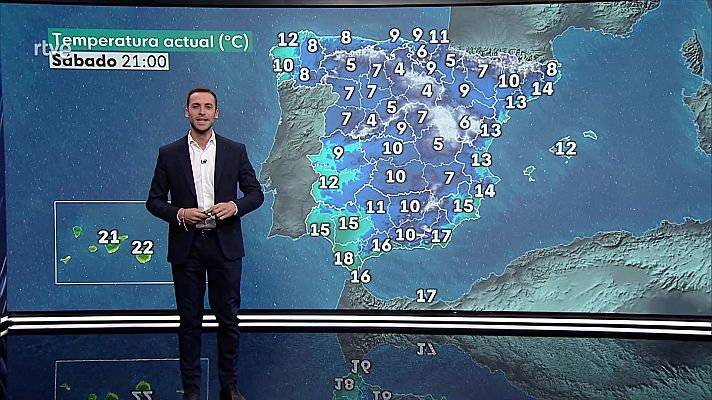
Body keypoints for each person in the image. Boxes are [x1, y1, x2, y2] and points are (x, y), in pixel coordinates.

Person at [147, 87, 264, 400]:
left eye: (208, 107)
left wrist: (235, 206)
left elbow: (256, 193)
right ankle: (192, 391)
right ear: (186, 111)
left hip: (225, 247)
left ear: (217, 113)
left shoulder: (234, 150)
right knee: (189, 322)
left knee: (228, 320)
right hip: (188, 247)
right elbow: (154, 202)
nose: (202, 112)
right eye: (196, 107)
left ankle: (229, 386)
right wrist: (180, 213)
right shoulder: (169, 154)